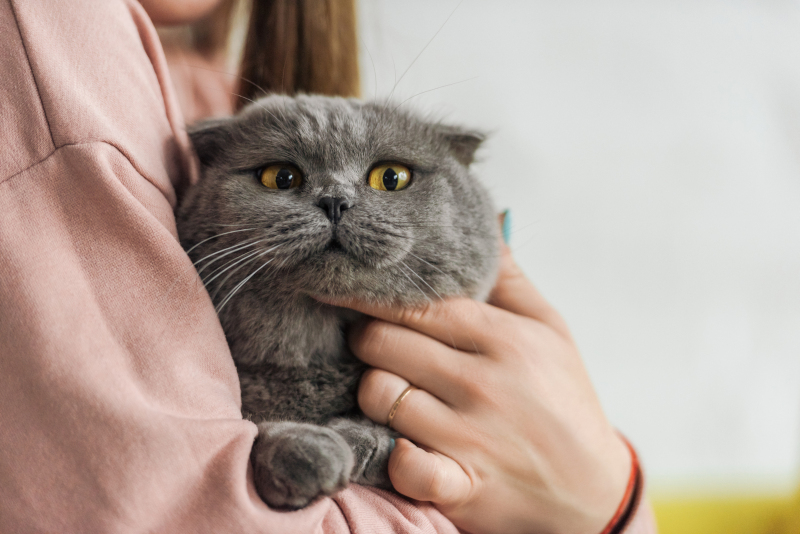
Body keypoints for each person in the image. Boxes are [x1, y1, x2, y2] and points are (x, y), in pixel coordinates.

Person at [0, 0, 657, 532]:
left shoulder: (214, 82)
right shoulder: (47, 37)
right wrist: (595, 503)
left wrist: (605, 493)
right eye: (285, 176)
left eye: (392, 177)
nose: (338, 197)